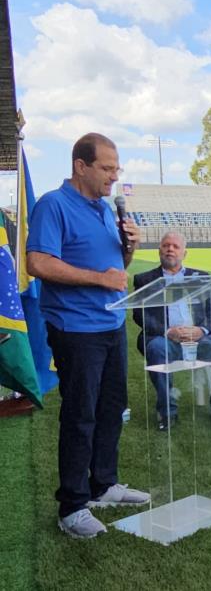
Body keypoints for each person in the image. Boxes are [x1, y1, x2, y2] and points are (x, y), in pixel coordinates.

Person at [26, 132, 149, 539]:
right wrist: (99, 279)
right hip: (76, 329)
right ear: (81, 166)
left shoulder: (105, 209)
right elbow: (38, 263)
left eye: (117, 169)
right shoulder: (53, 205)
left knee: (113, 407)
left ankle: (104, 484)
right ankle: (72, 506)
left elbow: (118, 268)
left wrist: (129, 248)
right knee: (81, 415)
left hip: (112, 324)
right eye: (107, 168)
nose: (114, 177)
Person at [132, 232, 211, 430]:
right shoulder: (145, 279)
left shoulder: (200, 277)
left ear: (184, 253)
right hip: (165, 338)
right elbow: (140, 315)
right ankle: (167, 412)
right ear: (159, 250)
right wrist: (167, 331)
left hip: (197, 337)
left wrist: (201, 330)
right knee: (157, 349)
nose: (170, 249)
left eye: (175, 246)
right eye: (166, 245)